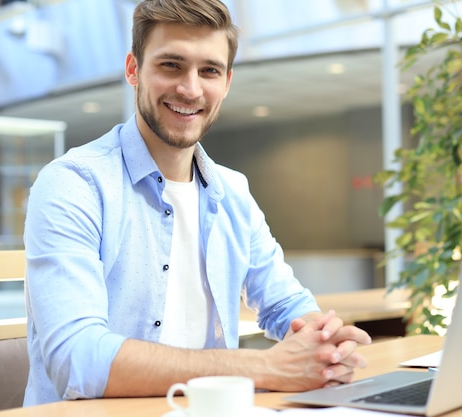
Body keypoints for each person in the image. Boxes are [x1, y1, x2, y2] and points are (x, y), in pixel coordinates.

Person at [23, 0, 371, 406]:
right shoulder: (74, 183)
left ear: (226, 82)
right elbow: (78, 359)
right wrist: (267, 367)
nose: (190, 89)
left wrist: (324, 345)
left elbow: (286, 303)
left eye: (209, 70)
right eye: (171, 65)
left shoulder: (233, 192)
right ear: (133, 70)